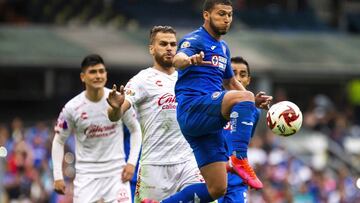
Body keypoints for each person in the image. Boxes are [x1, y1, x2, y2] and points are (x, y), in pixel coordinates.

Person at [142, 1, 272, 202]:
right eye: (221, 14)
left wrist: (251, 100)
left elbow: (229, 81)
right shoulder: (195, 39)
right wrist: (188, 60)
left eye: (229, 14)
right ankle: (239, 158)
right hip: (193, 108)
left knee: (218, 187)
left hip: (207, 122)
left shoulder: (223, 48)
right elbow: (178, 59)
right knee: (244, 98)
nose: (226, 19)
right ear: (206, 15)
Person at [107, 26, 203, 203]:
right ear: (151, 49)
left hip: (188, 161)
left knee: (208, 192)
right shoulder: (142, 80)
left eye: (173, 44)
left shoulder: (188, 78)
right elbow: (116, 115)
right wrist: (114, 108)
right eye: (163, 44)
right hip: (154, 166)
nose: (169, 48)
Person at [52, 54, 142, 203]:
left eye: (101, 71)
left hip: (116, 174)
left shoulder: (117, 100)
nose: (98, 75)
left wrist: (132, 162)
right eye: (93, 72)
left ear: (106, 74)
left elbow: (135, 129)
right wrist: (57, 176)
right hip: (86, 176)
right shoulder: (72, 108)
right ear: (83, 77)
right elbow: (58, 141)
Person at [219, 56, 260, 203]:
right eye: (233, 73)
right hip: (213, 175)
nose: (238, 79)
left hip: (237, 181)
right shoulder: (212, 105)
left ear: (248, 80)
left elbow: (243, 145)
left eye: (242, 75)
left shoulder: (254, 112)